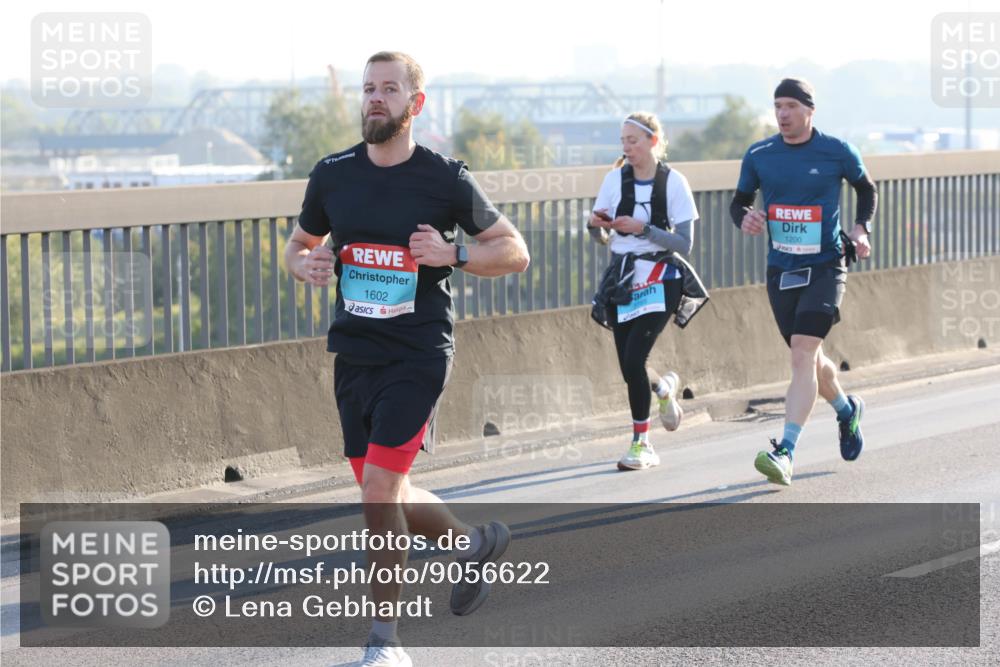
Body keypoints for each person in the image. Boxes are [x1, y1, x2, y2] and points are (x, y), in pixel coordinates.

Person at [284, 51, 529, 667]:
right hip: (354, 354)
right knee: (381, 487)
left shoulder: (444, 178)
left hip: (418, 354)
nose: (374, 98)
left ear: (414, 104)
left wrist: (454, 256)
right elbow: (298, 246)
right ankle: (471, 544)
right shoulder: (332, 174)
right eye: (368, 88)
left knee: (379, 493)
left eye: (389, 89)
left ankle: (384, 641)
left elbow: (514, 250)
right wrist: (306, 265)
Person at [730, 78, 877, 487]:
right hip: (782, 270)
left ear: (809, 111)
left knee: (801, 353)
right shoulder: (760, 154)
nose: (782, 114)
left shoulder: (836, 151)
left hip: (827, 266)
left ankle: (786, 451)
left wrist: (861, 228)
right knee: (810, 362)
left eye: (791, 106)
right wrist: (747, 217)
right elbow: (738, 202)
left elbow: (866, 188)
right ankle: (848, 412)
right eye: (778, 105)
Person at [589, 112, 707, 472]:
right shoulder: (614, 179)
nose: (627, 147)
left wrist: (644, 229)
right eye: (623, 141)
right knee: (629, 364)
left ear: (653, 141)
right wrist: (596, 226)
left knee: (635, 358)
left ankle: (642, 443)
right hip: (623, 279)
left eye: (633, 141)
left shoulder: (673, 182)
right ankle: (663, 389)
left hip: (660, 276)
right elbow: (601, 237)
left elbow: (683, 243)